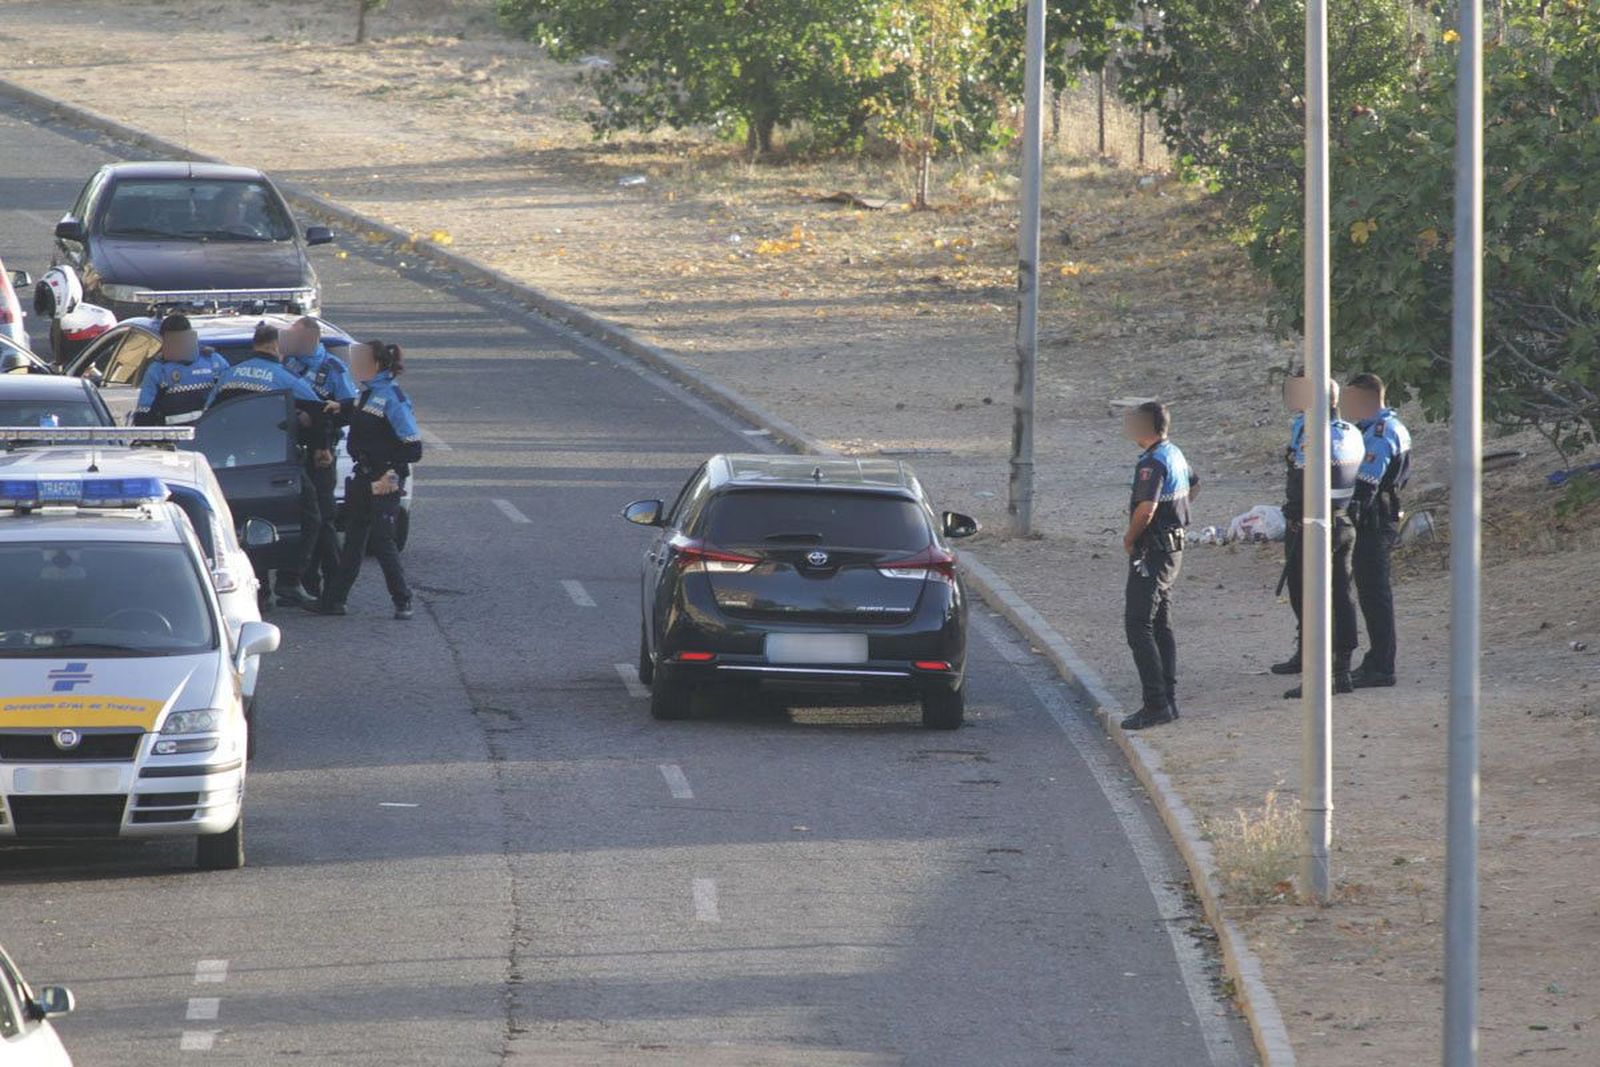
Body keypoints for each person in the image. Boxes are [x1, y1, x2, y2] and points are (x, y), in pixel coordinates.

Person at [206, 322, 336, 608]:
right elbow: (319, 411)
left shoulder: (229, 375)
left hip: (232, 468)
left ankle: (260, 588)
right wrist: (321, 447)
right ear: (277, 346)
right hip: (274, 462)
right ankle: (290, 581)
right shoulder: (283, 377)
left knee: (248, 525)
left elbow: (209, 414)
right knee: (309, 516)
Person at [308, 340, 421, 620]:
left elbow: (413, 448)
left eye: (359, 361)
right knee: (353, 543)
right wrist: (339, 406)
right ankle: (334, 601)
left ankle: (403, 601)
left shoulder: (393, 397)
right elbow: (356, 410)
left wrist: (390, 474)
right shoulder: (366, 394)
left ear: (376, 364)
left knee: (383, 542)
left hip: (384, 480)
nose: (354, 366)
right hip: (362, 477)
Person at [1277, 376, 1366, 699]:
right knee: (1341, 596)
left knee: (1314, 601)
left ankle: (1319, 675)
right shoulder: (1352, 432)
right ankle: (1341, 671)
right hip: (1343, 520)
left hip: (1315, 525)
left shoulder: (1315, 435)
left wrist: (1293, 516)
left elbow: (1303, 482)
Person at [1118, 401, 1198, 731]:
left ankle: (1155, 704)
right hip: (1172, 548)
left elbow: (1147, 509)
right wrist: (1175, 516)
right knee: (1160, 622)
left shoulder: (1152, 463)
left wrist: (1130, 537)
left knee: (1138, 625)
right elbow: (1194, 485)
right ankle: (1168, 699)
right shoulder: (1174, 453)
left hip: (1153, 551)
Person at [1343, 373, 1412, 688]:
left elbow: (1366, 486)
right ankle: (1377, 661)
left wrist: (1346, 518)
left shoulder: (1381, 433)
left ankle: (1382, 666)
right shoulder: (1378, 428)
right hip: (1378, 517)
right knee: (1372, 592)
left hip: (1373, 520)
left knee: (1374, 594)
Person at [281, 317, 358, 598]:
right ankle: (306, 583)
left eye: (295, 337)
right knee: (302, 518)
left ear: (310, 339)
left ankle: (334, 587)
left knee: (323, 519)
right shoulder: (289, 363)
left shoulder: (333, 369)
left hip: (319, 454)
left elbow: (348, 408)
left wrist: (320, 422)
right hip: (288, 451)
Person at [131, 313, 229, 426]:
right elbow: (144, 413)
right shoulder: (158, 369)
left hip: (206, 432)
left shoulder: (213, 361)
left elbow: (144, 413)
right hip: (179, 434)